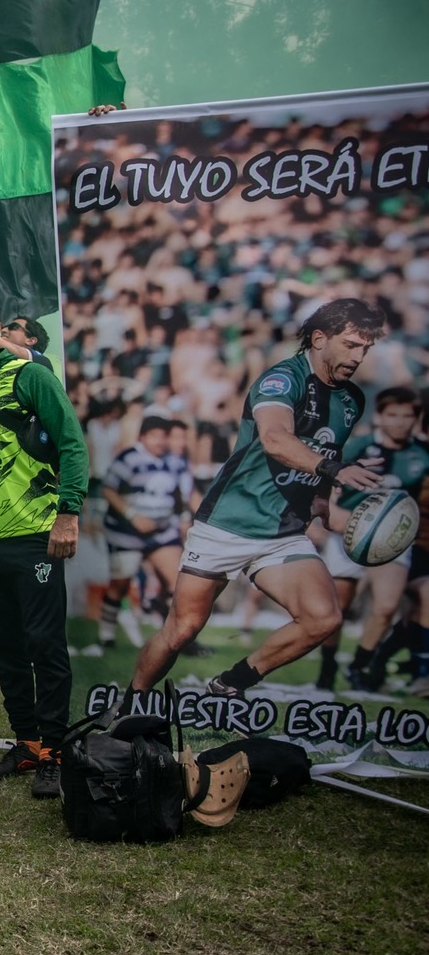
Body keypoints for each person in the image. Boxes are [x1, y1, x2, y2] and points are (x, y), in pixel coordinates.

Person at [127, 299, 387, 708]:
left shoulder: (352, 399)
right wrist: (335, 472)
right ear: (320, 339)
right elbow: (276, 440)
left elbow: (325, 449)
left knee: (323, 618)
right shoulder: (281, 380)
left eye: (366, 349)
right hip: (228, 523)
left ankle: (231, 682)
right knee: (182, 630)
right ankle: (129, 706)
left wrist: (321, 502)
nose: (359, 357)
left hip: (284, 532)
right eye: (352, 345)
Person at [0, 291, 89, 799]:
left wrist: (68, 513)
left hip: (33, 537)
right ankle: (26, 741)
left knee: (44, 646)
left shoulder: (30, 377)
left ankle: (54, 749)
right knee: (4, 649)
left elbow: (71, 443)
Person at [320, 388, 429, 692]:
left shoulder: (422, 454)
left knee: (385, 607)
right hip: (348, 531)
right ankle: (327, 666)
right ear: (379, 416)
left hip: (392, 537)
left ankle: (359, 665)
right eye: (392, 415)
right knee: (336, 611)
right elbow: (325, 482)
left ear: (416, 419)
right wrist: (332, 512)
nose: (399, 422)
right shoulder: (358, 446)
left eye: (407, 415)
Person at [95, 416, 195, 657]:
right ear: (143, 436)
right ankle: (106, 634)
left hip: (162, 532)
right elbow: (108, 489)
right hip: (126, 533)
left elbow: (180, 495)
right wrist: (132, 515)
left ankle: (177, 637)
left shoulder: (174, 461)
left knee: (179, 582)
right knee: (121, 584)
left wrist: (184, 519)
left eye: (164, 436)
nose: (161, 441)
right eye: (155, 436)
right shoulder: (129, 458)